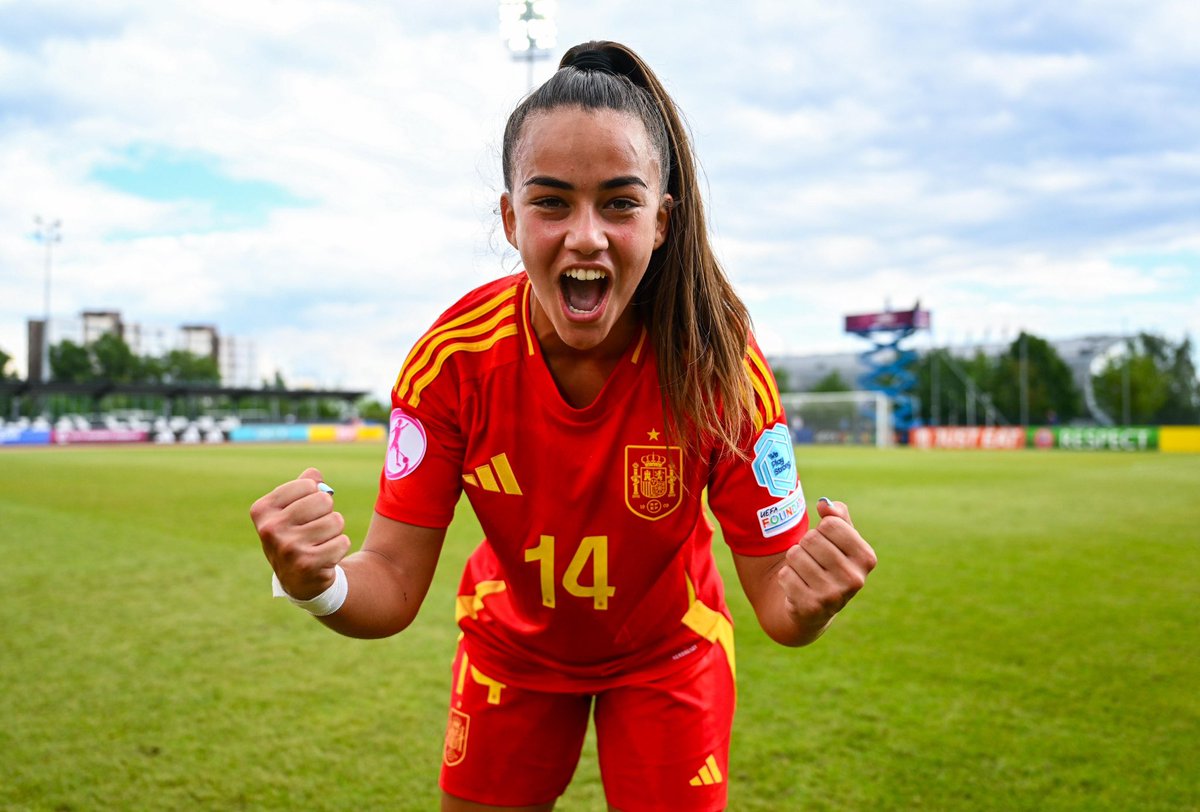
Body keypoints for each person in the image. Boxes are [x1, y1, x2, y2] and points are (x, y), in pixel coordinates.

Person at [250, 40, 877, 812]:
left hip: (670, 654)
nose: (586, 235)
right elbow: (392, 585)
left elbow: (780, 605)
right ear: (511, 218)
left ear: (661, 222)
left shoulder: (719, 365)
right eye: (551, 202)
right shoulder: (451, 362)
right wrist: (318, 587)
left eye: (620, 202)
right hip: (509, 651)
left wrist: (811, 598)